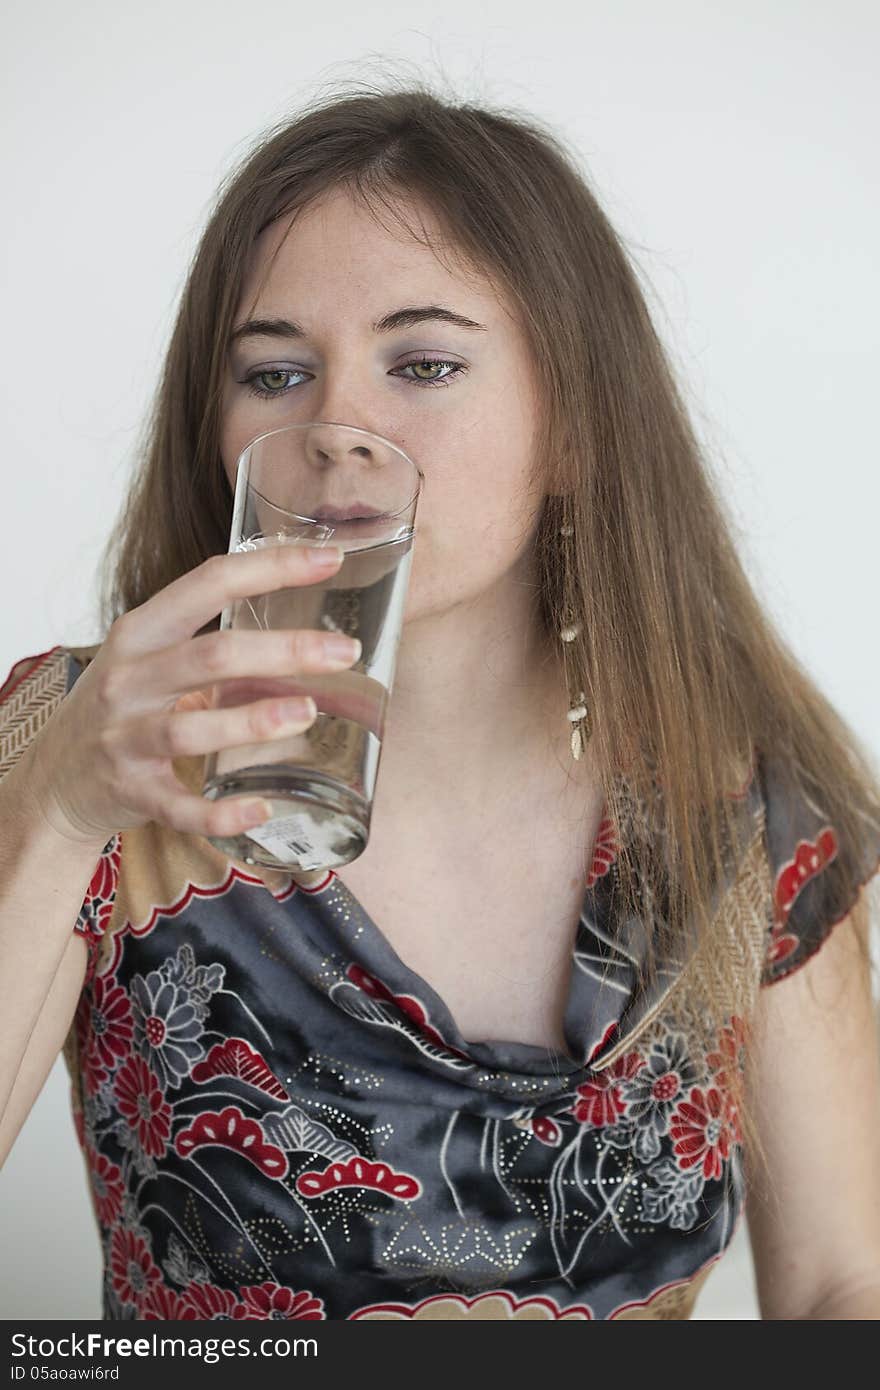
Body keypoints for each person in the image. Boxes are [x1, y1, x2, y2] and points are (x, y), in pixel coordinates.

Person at [2, 81, 880, 1323]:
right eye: (274, 371)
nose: (338, 425)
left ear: (575, 423)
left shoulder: (738, 799)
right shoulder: (82, 744)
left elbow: (845, 1280)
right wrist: (51, 815)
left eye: (421, 363)